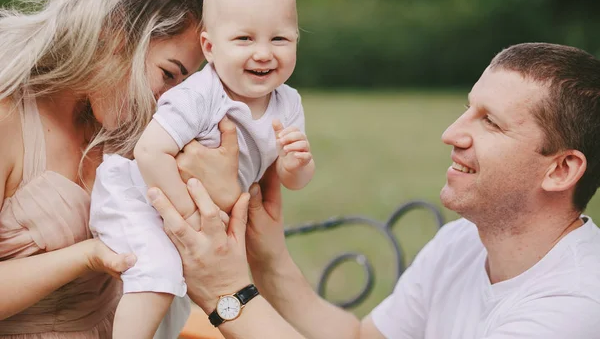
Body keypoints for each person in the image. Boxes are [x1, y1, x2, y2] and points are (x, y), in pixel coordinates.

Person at [150, 42, 600, 338]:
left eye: (491, 123)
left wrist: (229, 296)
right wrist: (267, 257)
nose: (452, 133)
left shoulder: (572, 307)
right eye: (468, 109)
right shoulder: (464, 241)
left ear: (561, 170)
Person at [89, 0, 315, 339]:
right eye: (244, 39)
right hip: (139, 193)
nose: (263, 52)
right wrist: (193, 218)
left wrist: (296, 164)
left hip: (200, 211)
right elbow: (149, 153)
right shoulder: (201, 94)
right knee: (157, 275)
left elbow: (293, 181)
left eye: (279, 38)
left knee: (177, 291)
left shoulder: (287, 102)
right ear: (210, 47)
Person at [0, 0, 218, 336]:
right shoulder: (7, 116)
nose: (168, 102)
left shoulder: (143, 133)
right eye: (168, 74)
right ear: (114, 29)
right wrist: (84, 257)